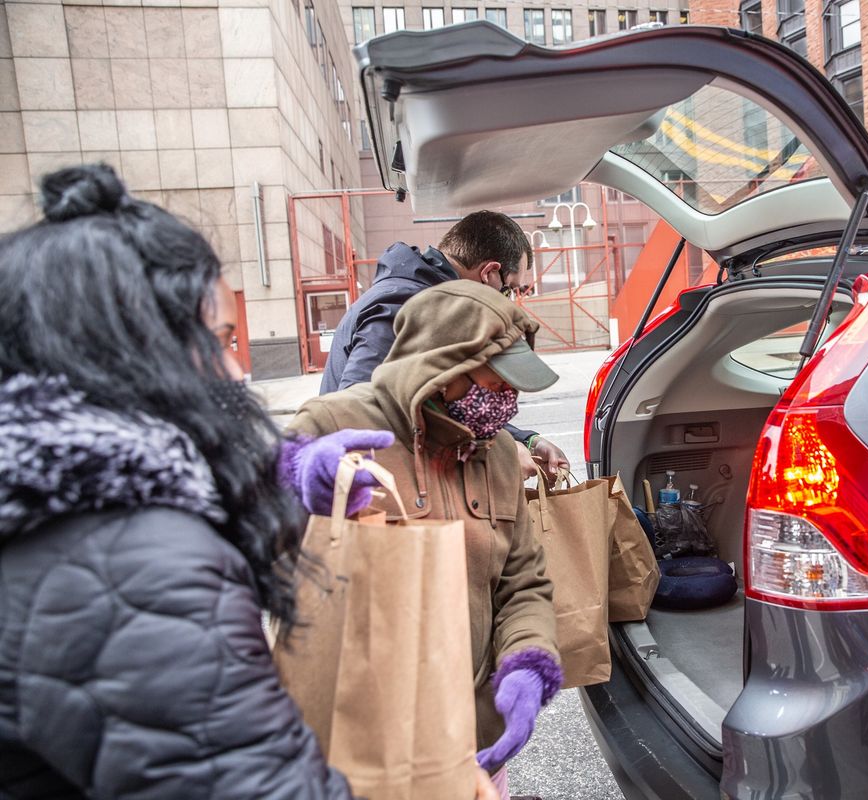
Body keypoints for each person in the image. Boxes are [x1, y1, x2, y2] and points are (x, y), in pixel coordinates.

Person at [0, 164, 499, 800]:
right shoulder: (140, 567)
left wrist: (282, 483)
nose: (238, 370)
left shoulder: (54, 498)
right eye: (220, 340)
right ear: (130, 351)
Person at [289, 280, 563, 798]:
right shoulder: (336, 423)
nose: (510, 400)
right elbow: (247, 528)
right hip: (351, 740)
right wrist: (298, 480)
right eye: (499, 382)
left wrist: (528, 661)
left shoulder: (500, 454)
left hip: (467, 741)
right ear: (444, 366)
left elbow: (523, 581)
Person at [319, 211, 569, 478]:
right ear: (490, 273)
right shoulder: (402, 306)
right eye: (509, 290)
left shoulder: (436, 303)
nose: (508, 303)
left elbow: (438, 408)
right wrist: (501, 455)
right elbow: (358, 420)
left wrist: (526, 440)